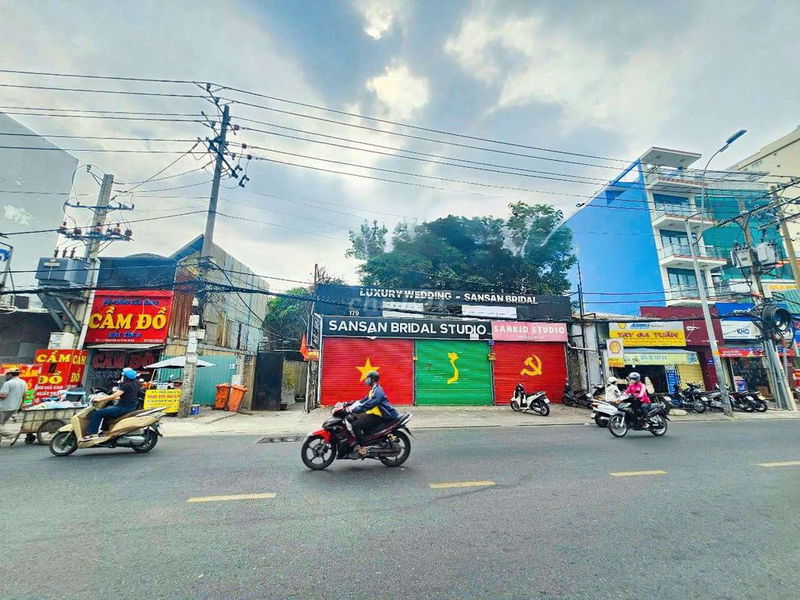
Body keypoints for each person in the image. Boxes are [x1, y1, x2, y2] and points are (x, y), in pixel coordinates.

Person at [346, 370, 399, 457]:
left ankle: (362, 447)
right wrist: (350, 404)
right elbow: (364, 400)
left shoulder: (377, 391)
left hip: (380, 416)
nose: (366, 380)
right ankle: (366, 440)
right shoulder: (373, 390)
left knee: (356, 425)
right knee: (355, 418)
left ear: (373, 379)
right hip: (373, 414)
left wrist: (356, 409)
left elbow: (370, 404)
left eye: (368, 378)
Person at [83, 367, 140, 440]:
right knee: (107, 410)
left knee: (98, 413)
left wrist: (100, 399)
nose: (121, 377)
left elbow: (115, 395)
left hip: (123, 407)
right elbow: (125, 396)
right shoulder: (136, 383)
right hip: (130, 406)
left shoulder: (126, 385)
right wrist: (108, 398)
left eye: (123, 376)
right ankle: (105, 431)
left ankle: (92, 433)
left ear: (125, 377)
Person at [0, 368, 28, 446]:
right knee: (1, 425)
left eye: (6, 375)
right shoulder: (23, 382)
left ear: (10, 374)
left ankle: (12, 435)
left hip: (3, 408)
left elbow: (3, 395)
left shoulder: (8, 383)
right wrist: (22, 404)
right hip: (14, 408)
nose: (5, 376)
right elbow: (25, 395)